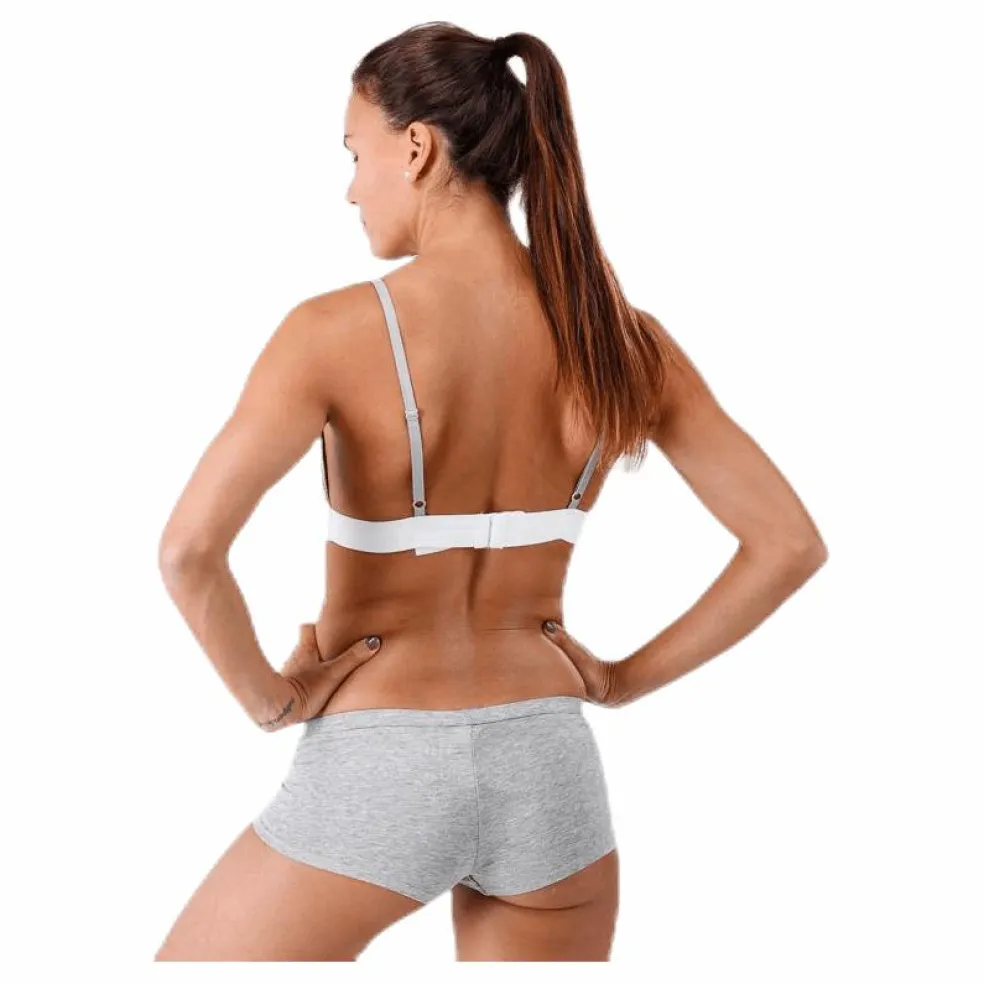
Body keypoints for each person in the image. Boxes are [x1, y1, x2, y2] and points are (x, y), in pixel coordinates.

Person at [154, 21, 827, 962]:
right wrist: (621, 681)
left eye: (354, 153)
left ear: (416, 148)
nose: (351, 187)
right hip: (549, 771)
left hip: (383, 763)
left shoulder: (331, 333)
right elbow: (788, 544)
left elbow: (189, 553)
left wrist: (270, 700)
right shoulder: (620, 339)